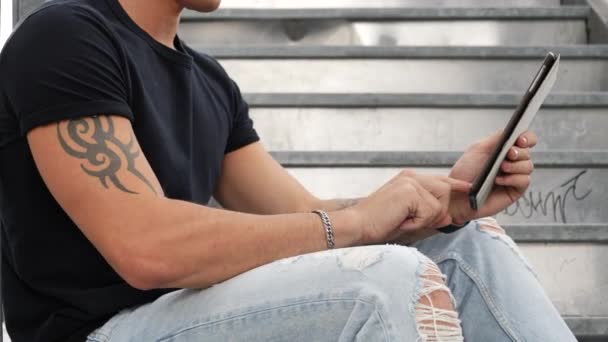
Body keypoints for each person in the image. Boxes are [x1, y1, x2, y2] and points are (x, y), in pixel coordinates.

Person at [0, 0, 577, 341]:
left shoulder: (209, 82)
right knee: (386, 282)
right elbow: (147, 249)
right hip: (103, 332)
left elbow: (308, 222)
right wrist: (361, 226)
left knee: (468, 243)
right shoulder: (65, 36)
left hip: (182, 316)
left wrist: (445, 203)